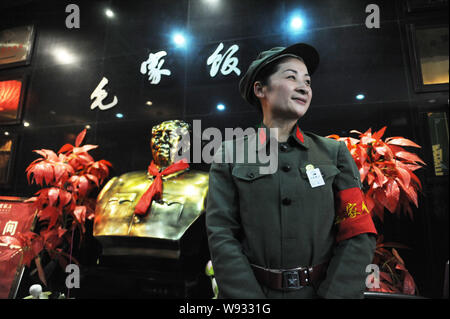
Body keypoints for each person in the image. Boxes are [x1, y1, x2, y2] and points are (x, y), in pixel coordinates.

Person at [205, 43, 378, 299]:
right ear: (260, 89)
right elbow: (221, 235)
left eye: (307, 81)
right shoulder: (229, 155)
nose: (303, 87)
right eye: (291, 76)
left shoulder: (333, 153)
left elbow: (357, 230)